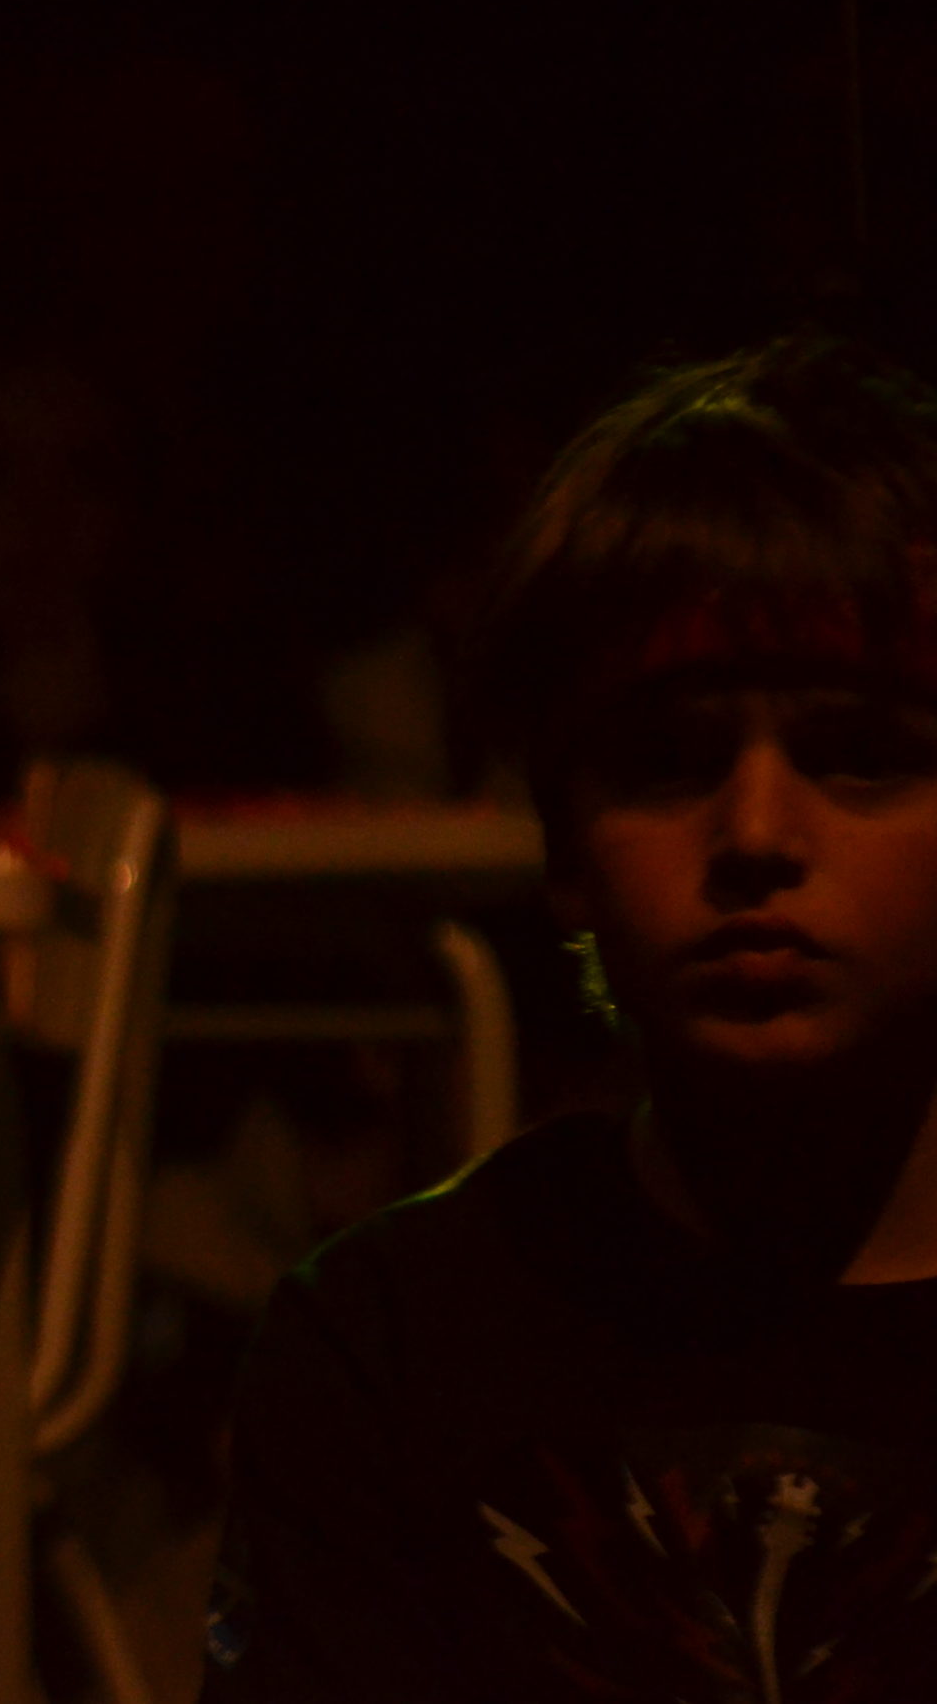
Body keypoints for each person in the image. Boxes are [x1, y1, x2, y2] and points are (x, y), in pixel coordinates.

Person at [201, 332, 937, 1700]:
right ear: (563, 843)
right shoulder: (398, 1347)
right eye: (668, 760)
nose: (757, 833)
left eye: (860, 755)